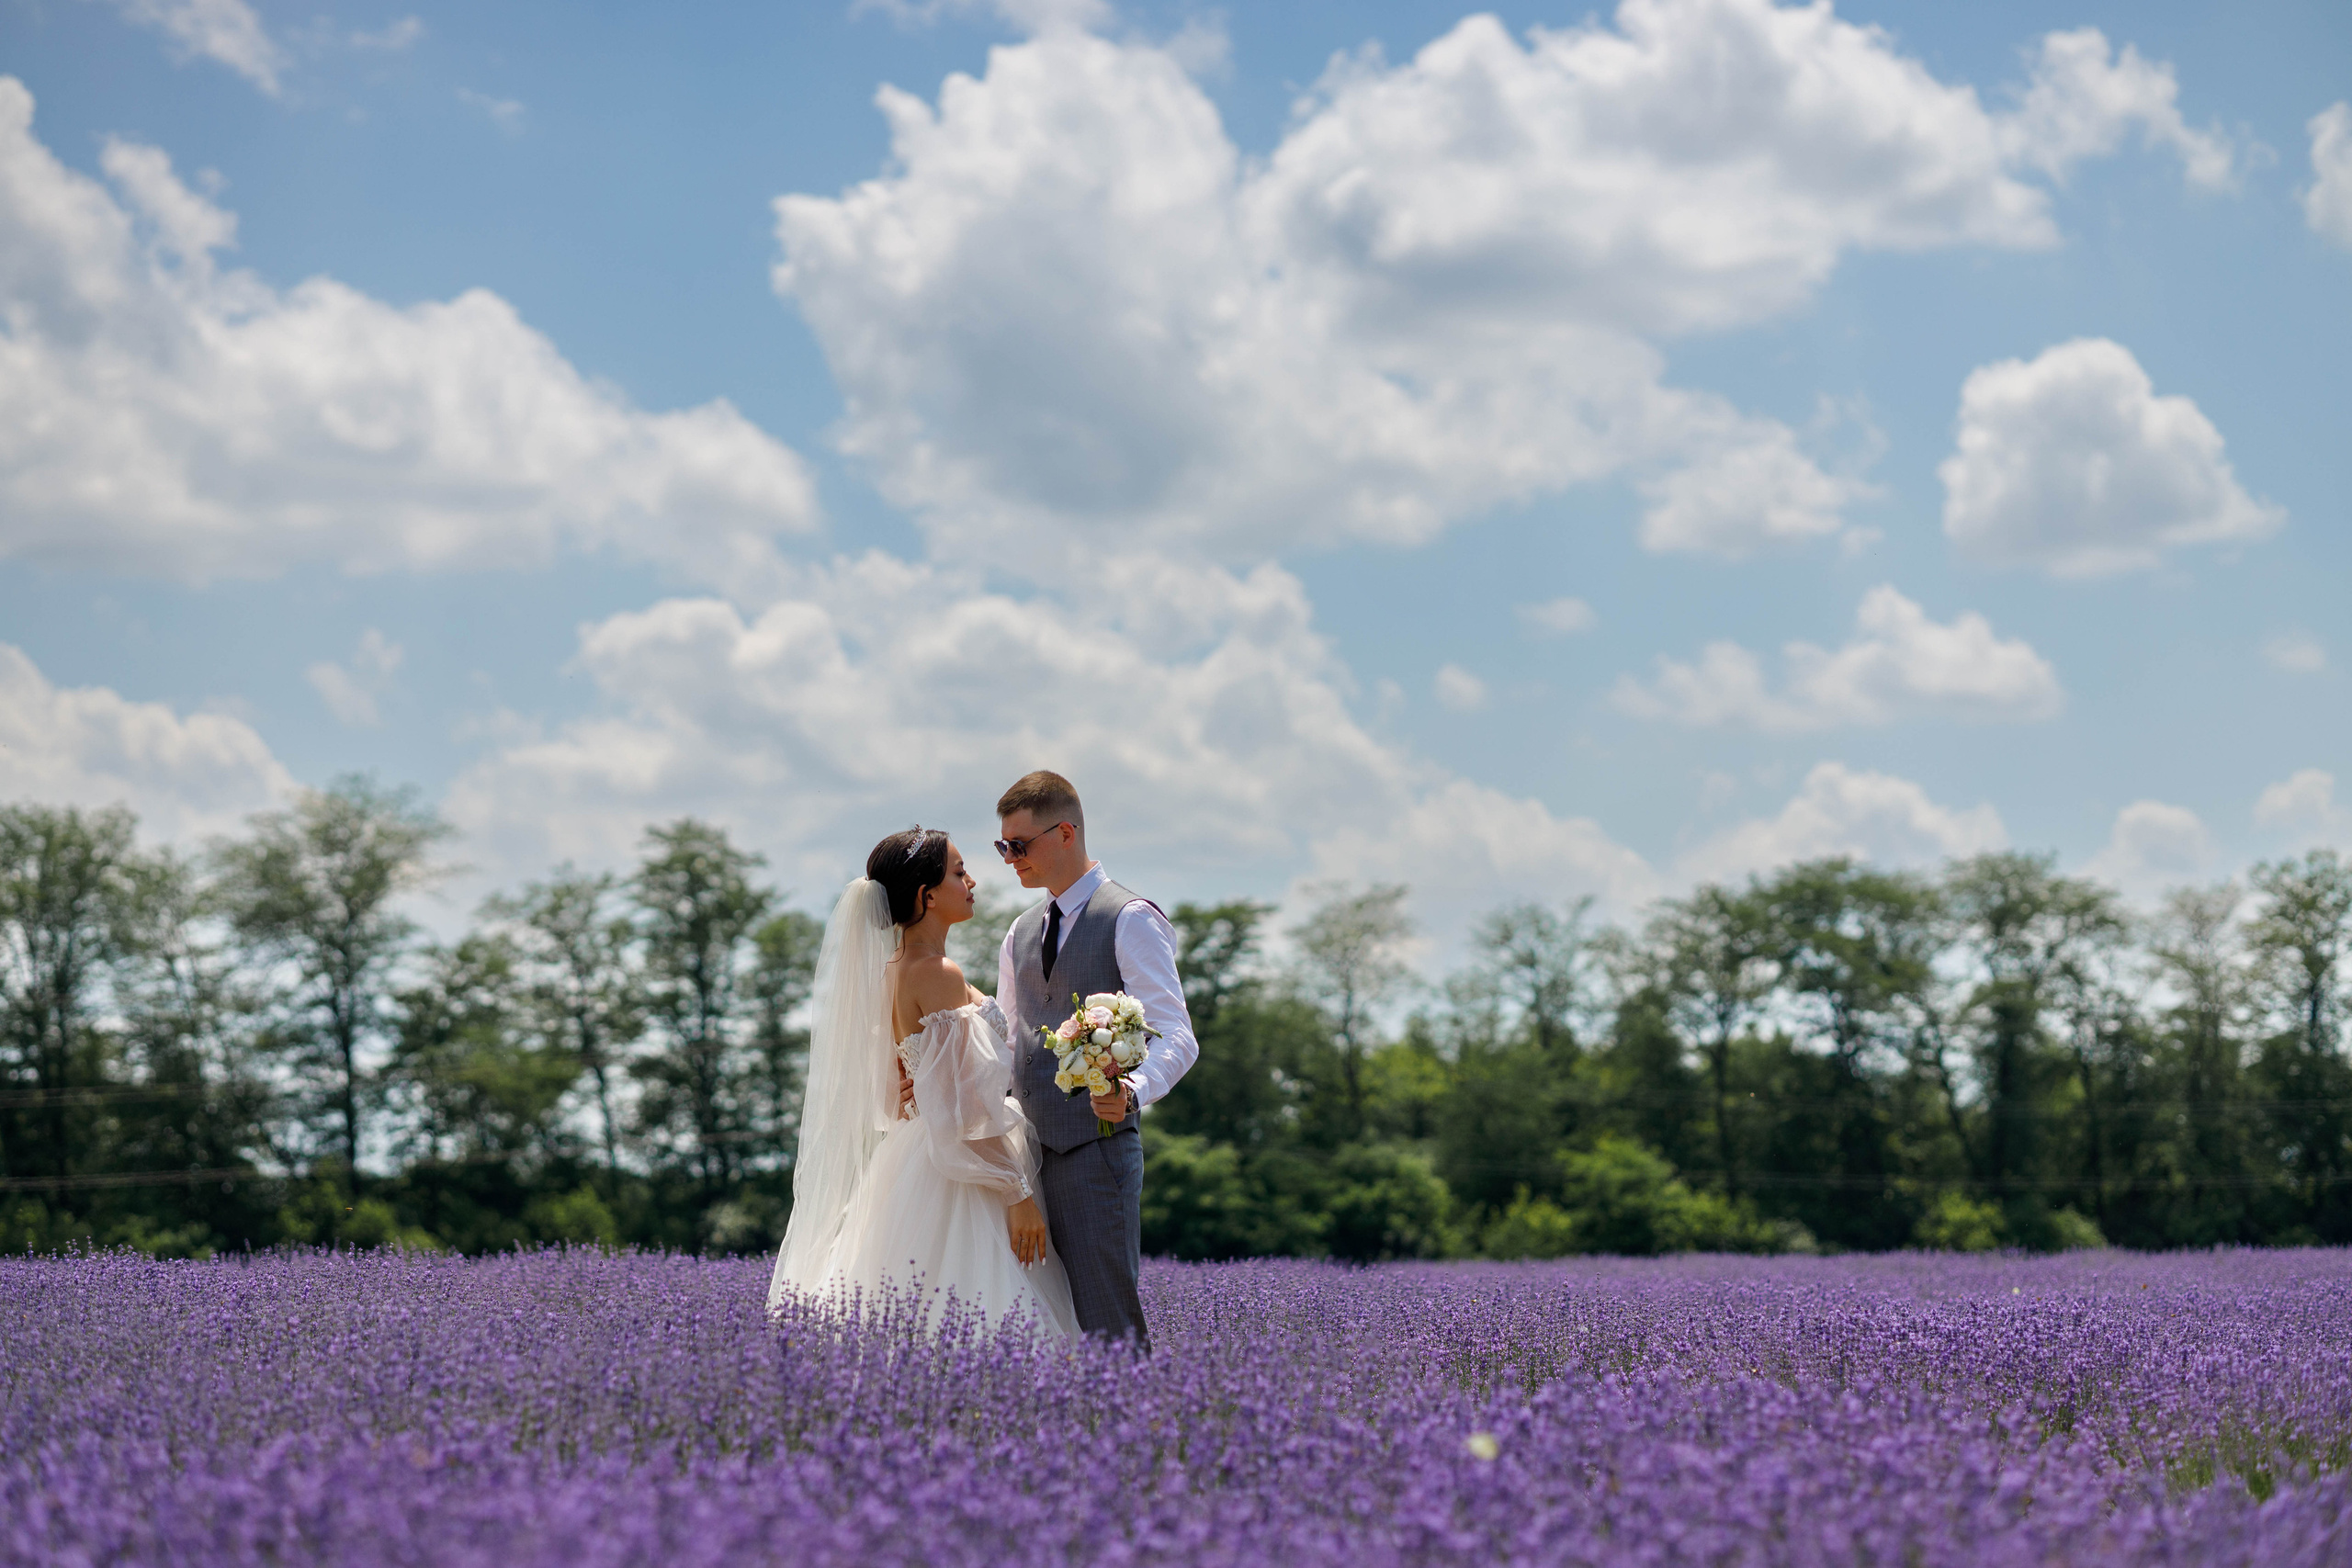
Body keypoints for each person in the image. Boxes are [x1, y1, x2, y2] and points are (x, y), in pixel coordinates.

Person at [767, 828, 1078, 1339]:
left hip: (916, 1155)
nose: (972, 881)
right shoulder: (937, 972)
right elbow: (969, 1103)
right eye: (958, 872)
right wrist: (1018, 1193)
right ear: (926, 896)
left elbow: (906, 1082)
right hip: (961, 1170)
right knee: (981, 1315)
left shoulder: (893, 970)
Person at [988, 770, 1197, 1348]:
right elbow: (1007, 1045)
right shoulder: (1019, 932)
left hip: (1097, 1155)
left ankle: (1137, 1435)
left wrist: (1133, 1089)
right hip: (1025, 1158)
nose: (1010, 860)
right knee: (1032, 1324)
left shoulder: (1130, 918)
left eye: (1020, 845)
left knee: (1109, 1325)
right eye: (1002, 846)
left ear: (1066, 834)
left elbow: (1177, 1034)